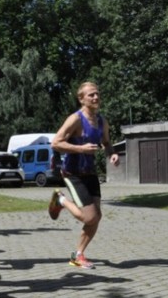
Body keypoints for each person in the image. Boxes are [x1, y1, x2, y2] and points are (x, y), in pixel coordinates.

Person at [48, 82, 120, 269]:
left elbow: (106, 142)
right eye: (91, 95)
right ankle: (60, 200)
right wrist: (80, 148)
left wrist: (111, 153)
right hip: (73, 173)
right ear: (81, 99)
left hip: (90, 173)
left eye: (97, 94)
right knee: (89, 217)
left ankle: (77, 255)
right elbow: (56, 143)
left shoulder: (102, 121)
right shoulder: (75, 119)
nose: (96, 97)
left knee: (96, 217)